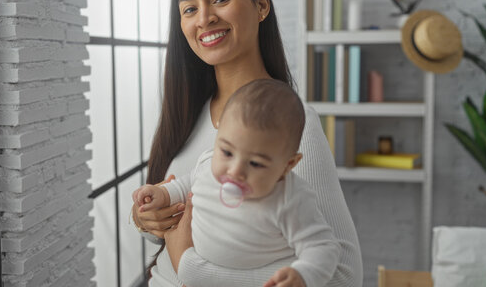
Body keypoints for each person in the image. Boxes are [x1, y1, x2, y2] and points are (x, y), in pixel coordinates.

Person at [130, 0, 363, 287]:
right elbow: (180, 219)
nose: (204, 18)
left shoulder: (297, 129)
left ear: (261, 6)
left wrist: (190, 267)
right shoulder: (187, 113)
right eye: (190, 9)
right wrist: (145, 220)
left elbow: (343, 275)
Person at [133, 79, 341, 287]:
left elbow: (323, 247)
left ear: (288, 165)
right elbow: (188, 183)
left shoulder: (290, 198)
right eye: (227, 152)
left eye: (255, 164)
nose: (235, 171)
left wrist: (303, 274)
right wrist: (164, 194)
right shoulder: (208, 162)